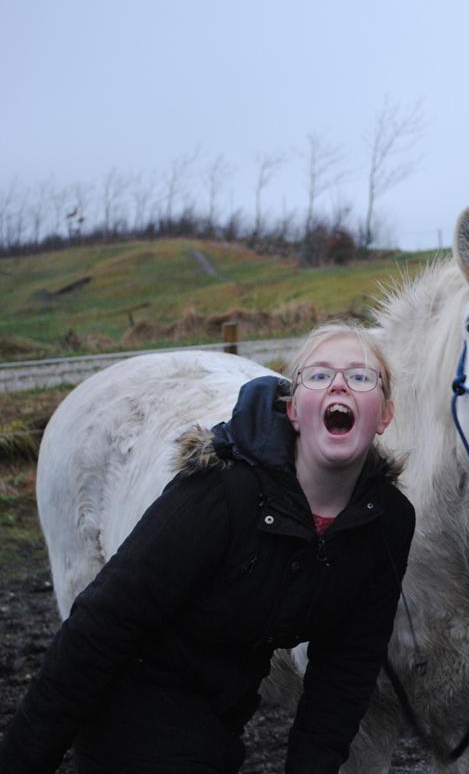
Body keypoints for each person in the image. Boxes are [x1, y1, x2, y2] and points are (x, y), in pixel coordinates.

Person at [0, 323, 415, 773]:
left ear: (385, 415)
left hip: (221, 718)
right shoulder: (221, 492)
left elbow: (346, 669)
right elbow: (98, 626)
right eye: (318, 375)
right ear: (294, 410)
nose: (339, 383)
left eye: (360, 377)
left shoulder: (385, 521)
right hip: (130, 704)